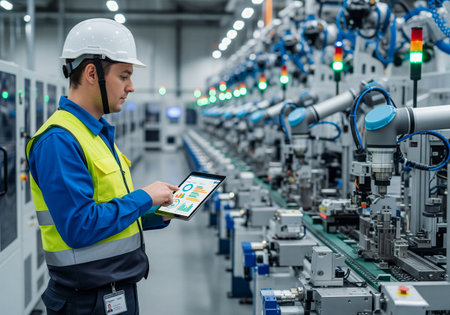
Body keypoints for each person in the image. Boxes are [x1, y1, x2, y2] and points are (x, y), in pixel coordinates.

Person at [26, 18, 178, 314]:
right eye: (124, 76)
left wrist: (156, 212)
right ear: (92, 73)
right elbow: (79, 227)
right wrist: (144, 197)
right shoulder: (59, 140)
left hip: (113, 292)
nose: (131, 87)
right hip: (85, 302)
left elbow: (106, 212)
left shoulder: (96, 133)